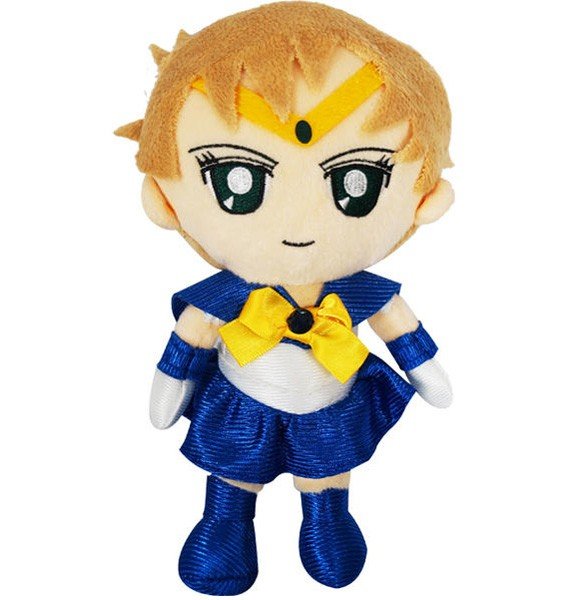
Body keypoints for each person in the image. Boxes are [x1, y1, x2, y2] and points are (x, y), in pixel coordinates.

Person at [117, 2, 454, 595]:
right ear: (164, 201)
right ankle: (225, 522)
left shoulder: (357, 288)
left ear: (427, 199)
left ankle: (327, 517)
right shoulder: (228, 293)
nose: (299, 223)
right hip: (244, 404)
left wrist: (429, 370)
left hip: (330, 405)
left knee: (327, 469)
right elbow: (188, 343)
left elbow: (402, 330)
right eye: (237, 180)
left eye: (358, 182)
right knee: (233, 472)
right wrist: (169, 390)